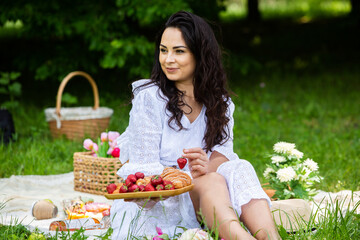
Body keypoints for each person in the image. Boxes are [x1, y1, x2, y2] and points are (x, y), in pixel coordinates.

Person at [111, 11, 280, 240]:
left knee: (240, 167)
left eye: (179, 51)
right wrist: (188, 176)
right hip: (162, 202)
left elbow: (222, 154)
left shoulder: (220, 103)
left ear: (200, 54)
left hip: (208, 195)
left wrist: (204, 166)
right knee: (211, 180)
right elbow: (144, 171)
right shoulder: (150, 98)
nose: (168, 59)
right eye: (163, 50)